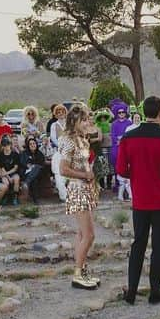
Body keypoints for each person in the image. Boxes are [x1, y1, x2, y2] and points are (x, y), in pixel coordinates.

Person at [115, 95, 160, 304]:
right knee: (159, 245)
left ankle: (132, 292)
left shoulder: (129, 137)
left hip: (140, 199)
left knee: (138, 244)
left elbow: (120, 169)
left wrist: (136, 175)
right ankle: (155, 291)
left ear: (144, 112)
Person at [58, 105, 100, 289]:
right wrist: (85, 176)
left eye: (87, 119)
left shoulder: (82, 140)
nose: (86, 123)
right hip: (78, 189)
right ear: (74, 122)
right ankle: (77, 273)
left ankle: (82, 270)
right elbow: (63, 169)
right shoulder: (68, 141)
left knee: (82, 234)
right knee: (89, 235)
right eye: (83, 120)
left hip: (86, 188)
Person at [20, 134, 48, 203]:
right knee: (34, 180)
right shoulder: (24, 153)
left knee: (37, 167)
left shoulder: (39, 153)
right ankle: (35, 200)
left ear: (36, 144)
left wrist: (33, 166)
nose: (33, 145)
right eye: (30, 144)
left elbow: (42, 164)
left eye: (34, 143)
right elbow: (22, 163)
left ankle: (26, 183)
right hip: (27, 172)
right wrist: (29, 166)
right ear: (28, 146)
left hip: (39, 173)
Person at [0, 135, 22, 200]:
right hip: (4, 174)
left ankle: (15, 197)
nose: (7, 147)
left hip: (12, 172)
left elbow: (15, 168)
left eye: (8, 145)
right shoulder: (0, 156)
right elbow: (2, 168)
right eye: (5, 145)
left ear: (10, 145)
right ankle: (5, 197)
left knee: (16, 179)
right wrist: (8, 177)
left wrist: (8, 175)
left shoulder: (15, 154)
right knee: (6, 182)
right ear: (3, 146)